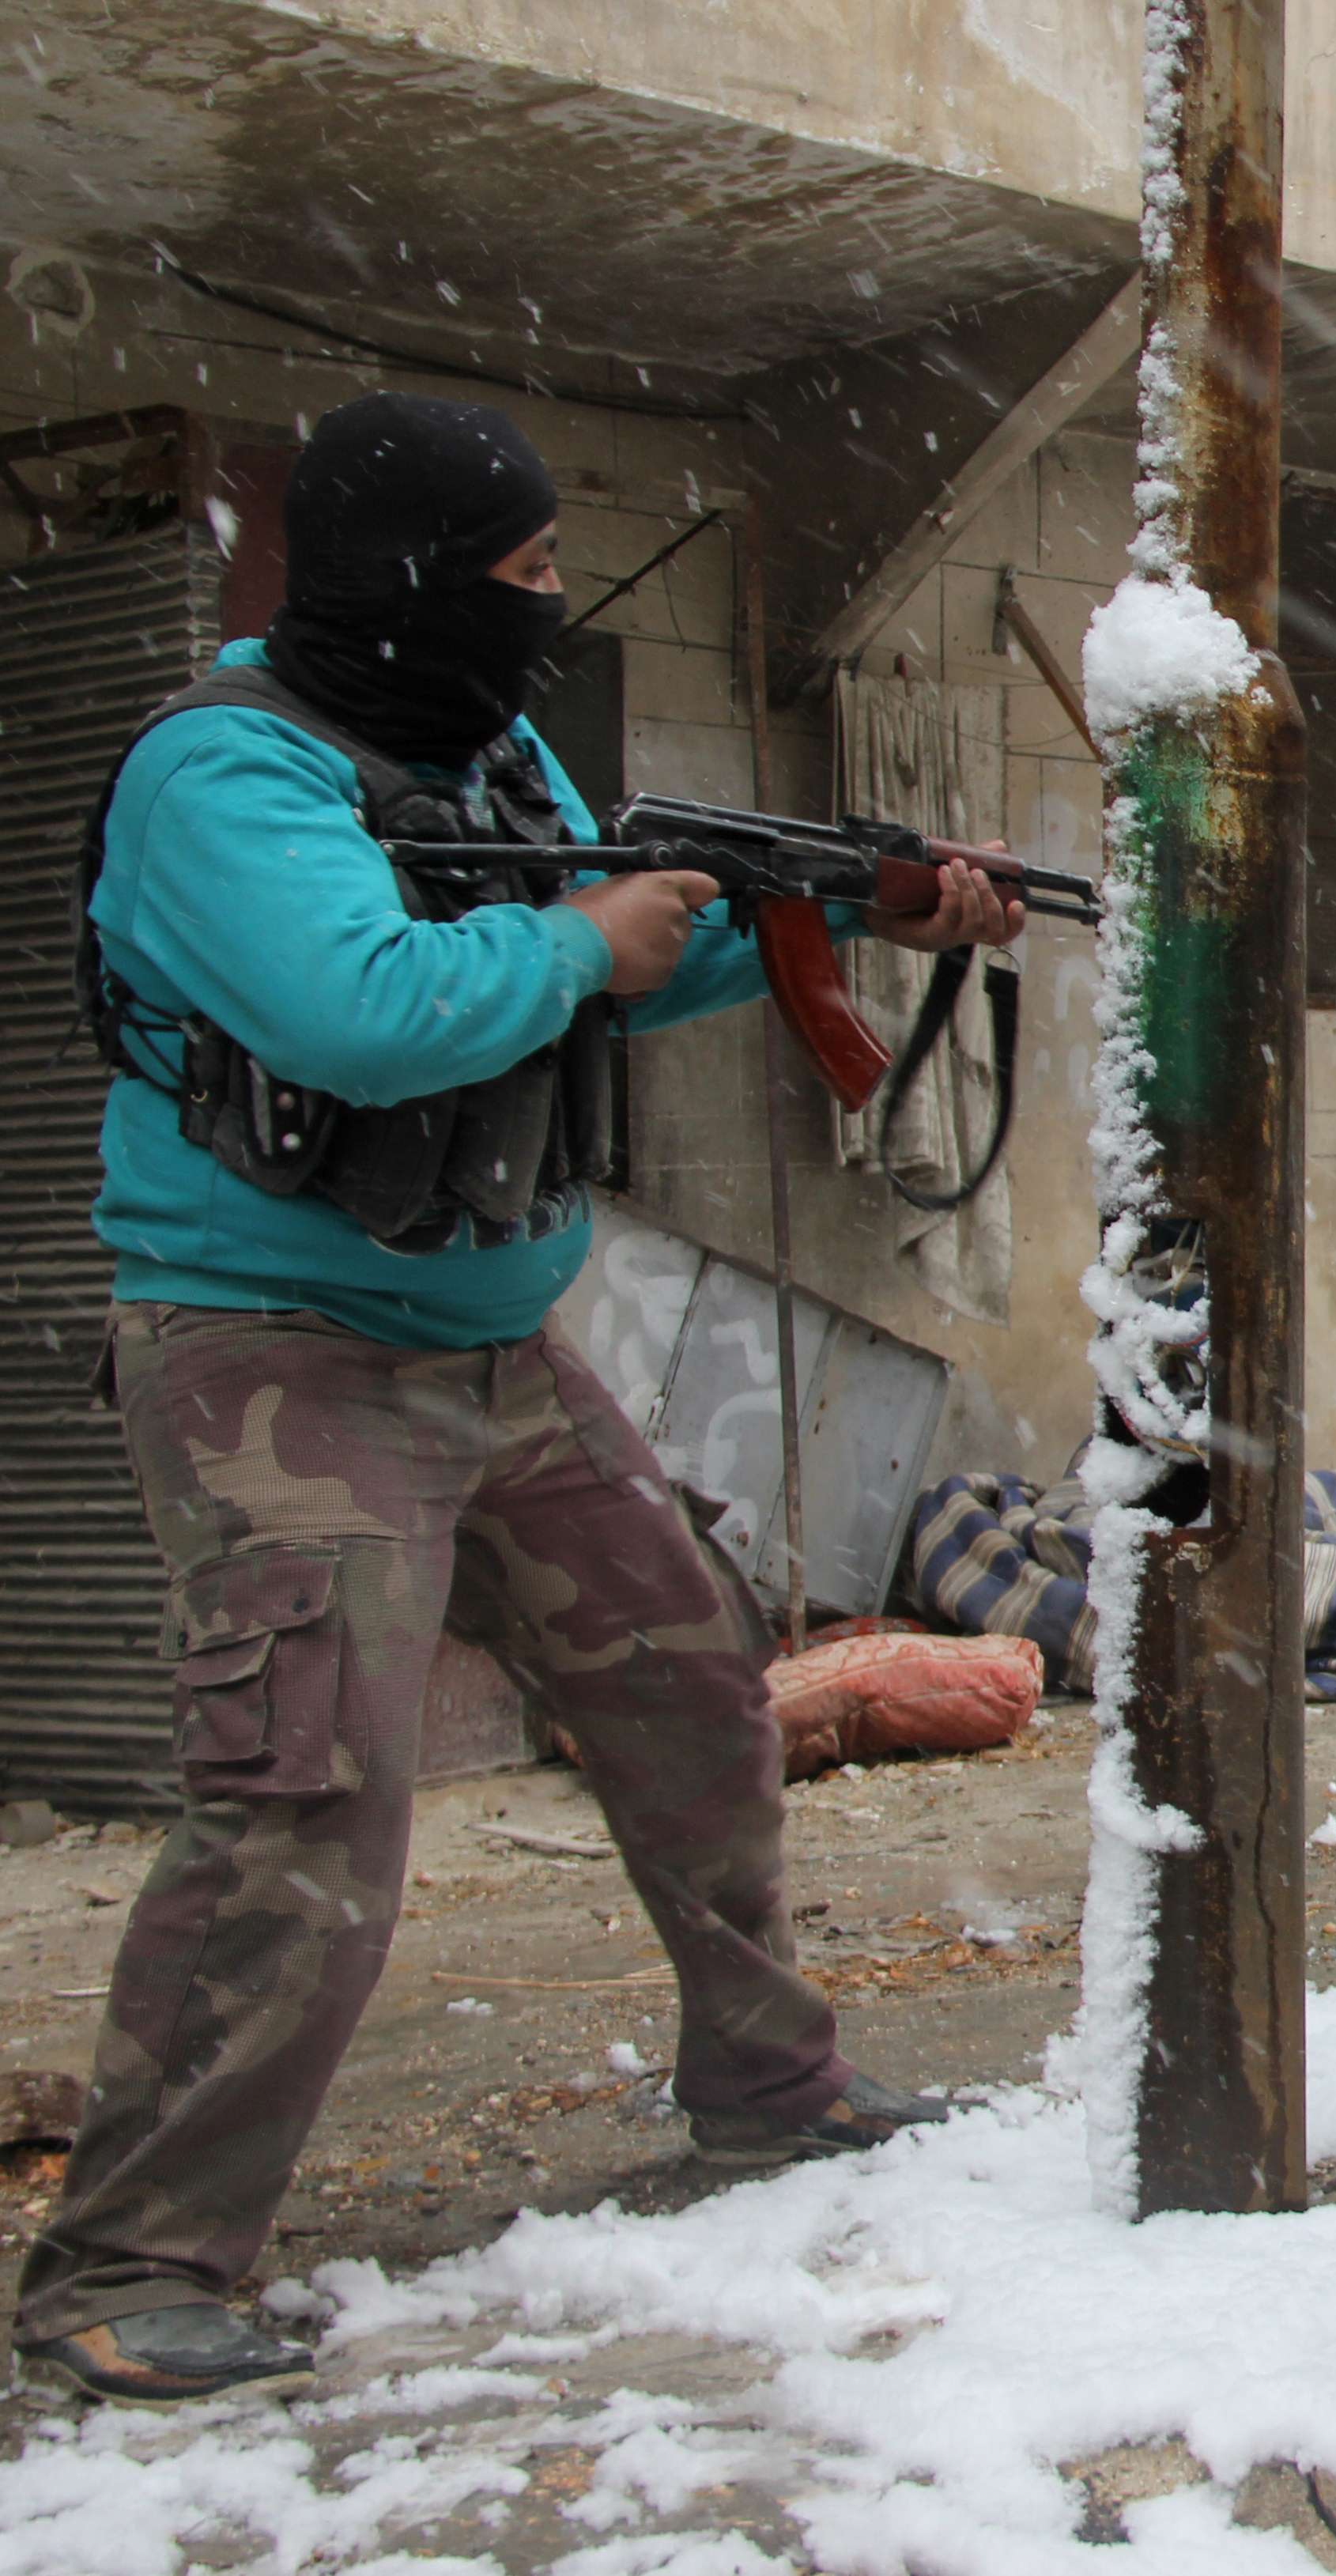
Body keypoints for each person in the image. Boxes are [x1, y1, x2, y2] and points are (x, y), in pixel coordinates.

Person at [11, 391, 1022, 2411]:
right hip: (275, 1352)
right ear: (402, 581)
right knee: (303, 1795)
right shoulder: (229, 774)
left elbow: (631, 957)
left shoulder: (477, 747)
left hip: (496, 1341)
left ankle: (771, 2086)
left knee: (690, 1692)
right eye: (526, 576)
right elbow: (359, 1013)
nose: (546, 613)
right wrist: (579, 939)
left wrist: (851, 913)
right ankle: (128, 2270)